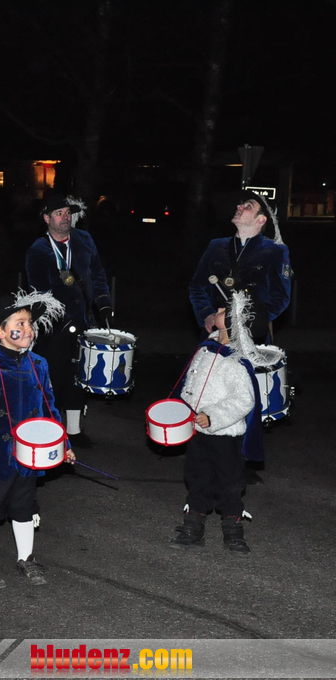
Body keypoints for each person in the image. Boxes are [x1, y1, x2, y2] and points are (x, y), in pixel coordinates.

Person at [0, 290, 74, 588]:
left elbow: (50, 408)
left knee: (24, 504)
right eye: (21, 323)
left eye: (30, 323)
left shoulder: (39, 364)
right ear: (0, 332)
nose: (29, 329)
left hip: (31, 452)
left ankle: (26, 557)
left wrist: (64, 445)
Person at [169, 290, 266, 556]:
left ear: (236, 322)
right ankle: (193, 527)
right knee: (197, 477)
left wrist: (213, 416)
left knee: (230, 482)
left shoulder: (236, 361)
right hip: (197, 431)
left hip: (224, 434)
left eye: (223, 311)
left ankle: (233, 531)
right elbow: (191, 383)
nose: (217, 311)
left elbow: (243, 400)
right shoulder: (206, 348)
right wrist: (181, 411)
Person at [24, 194, 111, 448]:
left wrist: (104, 305)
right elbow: (39, 293)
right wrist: (60, 320)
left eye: (68, 213)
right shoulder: (38, 250)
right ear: (47, 218)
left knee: (79, 377)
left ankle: (74, 431)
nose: (65, 217)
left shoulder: (85, 239)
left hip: (84, 322)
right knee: (54, 378)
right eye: (59, 213)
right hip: (54, 326)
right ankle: (49, 430)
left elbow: (98, 274)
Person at [189, 190, 292, 343]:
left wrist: (252, 321)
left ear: (261, 220)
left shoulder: (275, 251)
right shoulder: (216, 246)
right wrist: (207, 314)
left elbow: (280, 297)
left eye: (248, 206)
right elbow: (197, 286)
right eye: (241, 204)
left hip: (251, 335)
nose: (239, 206)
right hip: (215, 332)